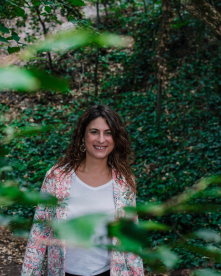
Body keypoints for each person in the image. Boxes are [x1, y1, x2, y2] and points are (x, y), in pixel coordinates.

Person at [21, 105, 144, 276]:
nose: (101, 139)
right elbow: (40, 233)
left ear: (115, 138)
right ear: (82, 136)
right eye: (94, 132)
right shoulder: (56, 178)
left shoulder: (124, 182)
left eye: (108, 133)